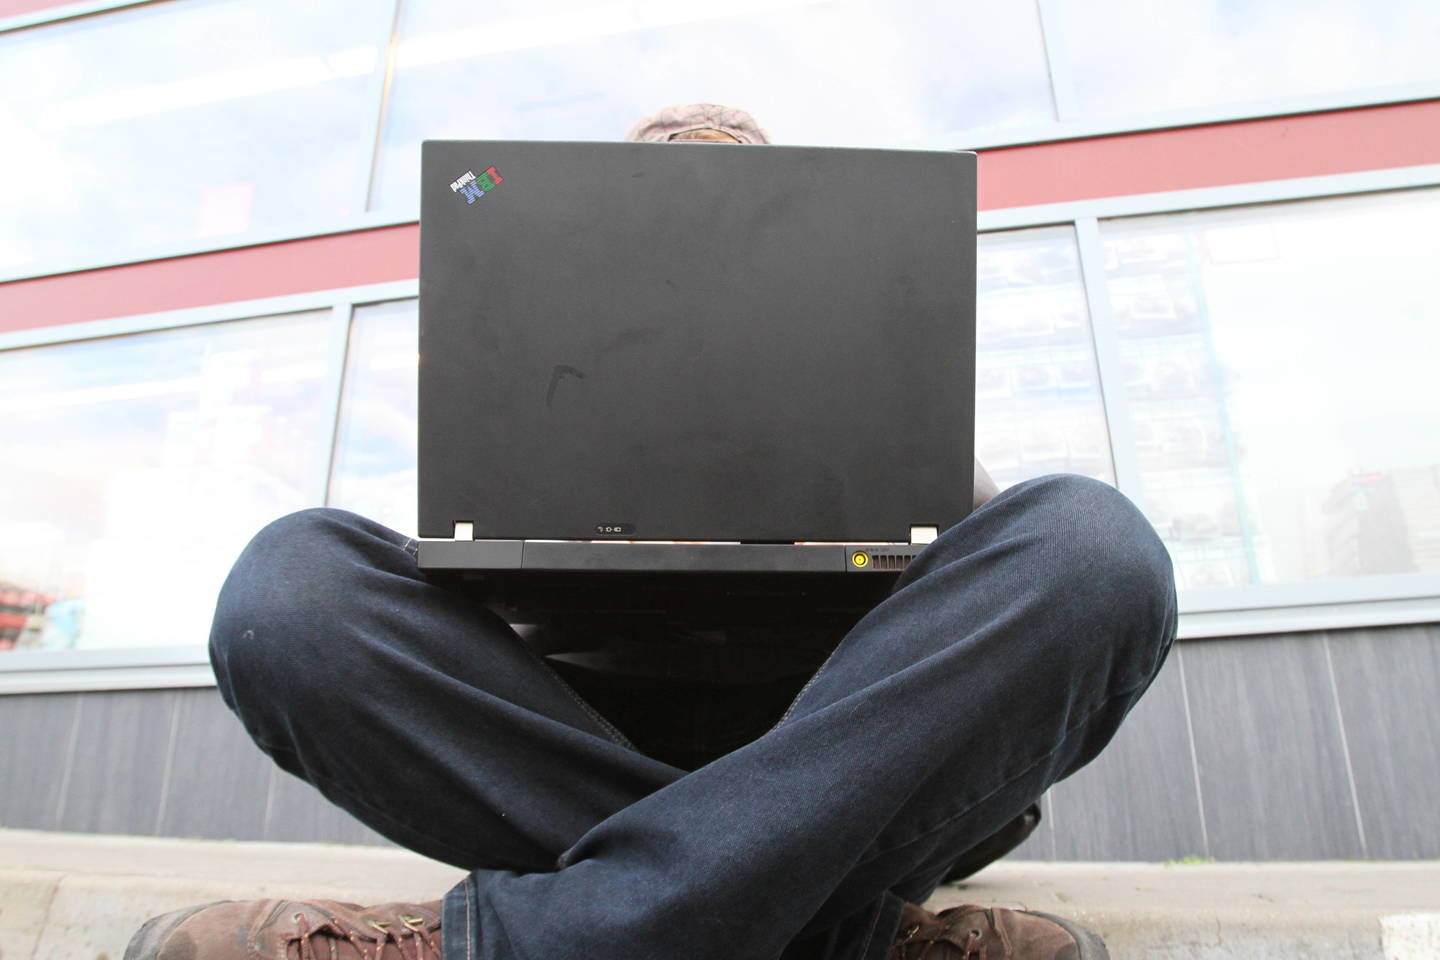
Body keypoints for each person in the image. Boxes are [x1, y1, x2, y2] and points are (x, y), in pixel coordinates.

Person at [125, 105, 1177, 960]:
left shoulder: (879, 391)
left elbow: (1012, 590)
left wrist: (892, 472)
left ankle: (512, 939)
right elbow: (427, 601)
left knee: (1091, 551)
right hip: (572, 738)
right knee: (290, 592)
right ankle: (836, 922)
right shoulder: (540, 375)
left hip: (845, 734)